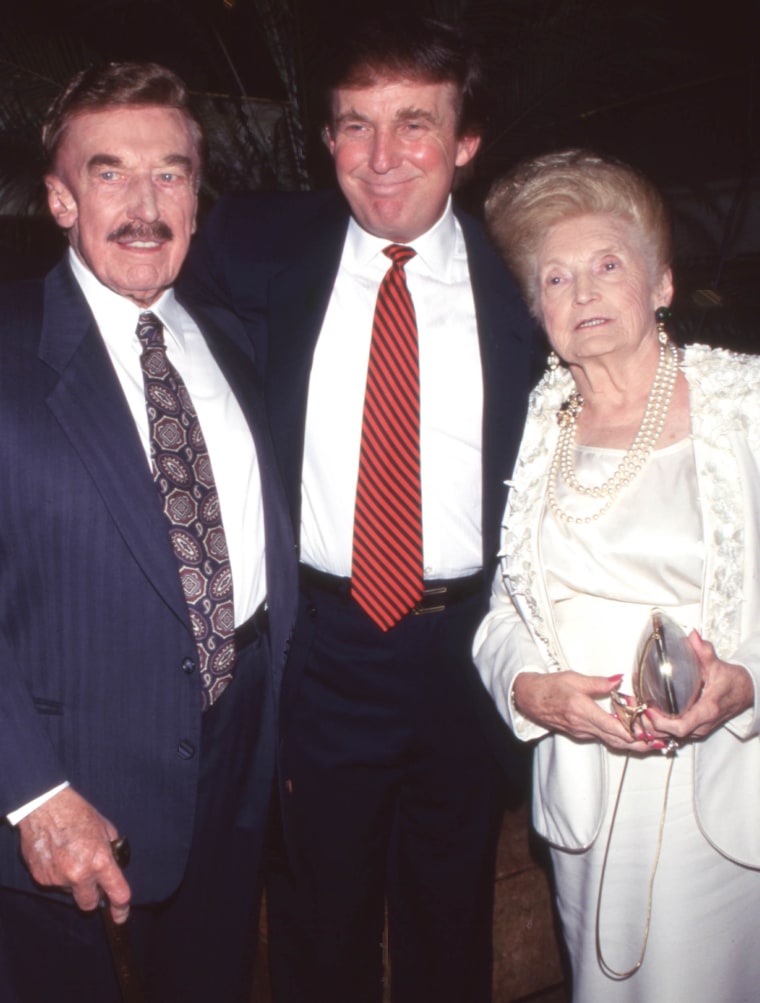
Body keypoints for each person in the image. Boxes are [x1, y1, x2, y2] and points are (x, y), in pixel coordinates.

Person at [181, 13, 534, 1002]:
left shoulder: (529, 279)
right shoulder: (253, 246)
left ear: (464, 143)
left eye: (413, 123)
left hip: (470, 647)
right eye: (353, 125)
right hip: (321, 643)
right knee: (314, 923)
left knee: (450, 915)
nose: (382, 159)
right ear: (327, 138)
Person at [0, 62, 296, 1003]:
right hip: (71, 784)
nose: (144, 203)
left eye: (169, 174)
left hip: (238, 753)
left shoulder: (232, 341)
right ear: (58, 197)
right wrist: (35, 792)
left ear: (198, 200)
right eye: (109, 172)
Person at [473, 148, 760, 1002]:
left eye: (606, 265)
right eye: (555, 279)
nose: (583, 293)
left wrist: (747, 683)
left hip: (716, 780)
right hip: (587, 781)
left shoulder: (745, 405)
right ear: (538, 310)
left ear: (663, 283)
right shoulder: (536, 422)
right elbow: (503, 609)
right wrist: (528, 687)